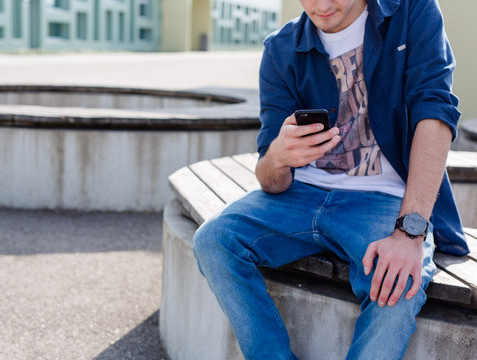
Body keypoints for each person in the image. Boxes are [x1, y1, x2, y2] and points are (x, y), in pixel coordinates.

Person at [192, 0, 470, 359]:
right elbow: (269, 179)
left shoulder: (412, 13)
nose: (321, 5)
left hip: (383, 199)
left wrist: (410, 233)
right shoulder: (281, 49)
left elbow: (435, 112)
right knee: (213, 240)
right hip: (300, 194)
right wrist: (278, 155)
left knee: (399, 284)